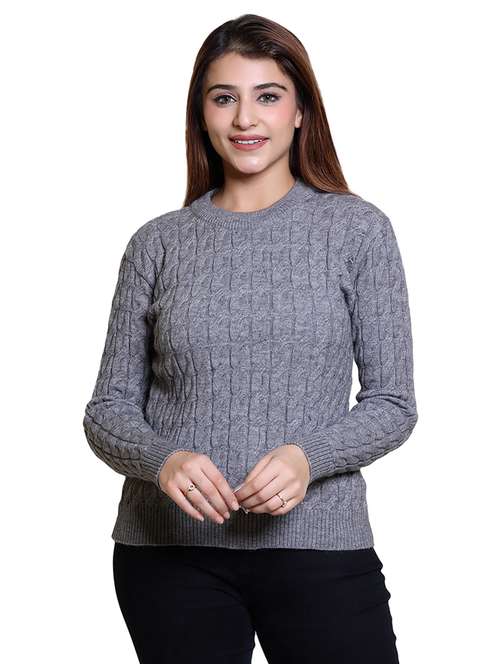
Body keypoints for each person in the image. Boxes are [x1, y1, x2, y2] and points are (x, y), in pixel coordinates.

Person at [83, 13, 418, 664]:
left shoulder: (358, 231)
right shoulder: (157, 243)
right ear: (201, 115)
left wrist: (307, 458)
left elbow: (393, 403)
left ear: (300, 112)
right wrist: (163, 460)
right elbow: (107, 411)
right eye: (224, 97)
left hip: (318, 545)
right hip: (169, 556)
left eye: (267, 95)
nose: (245, 118)